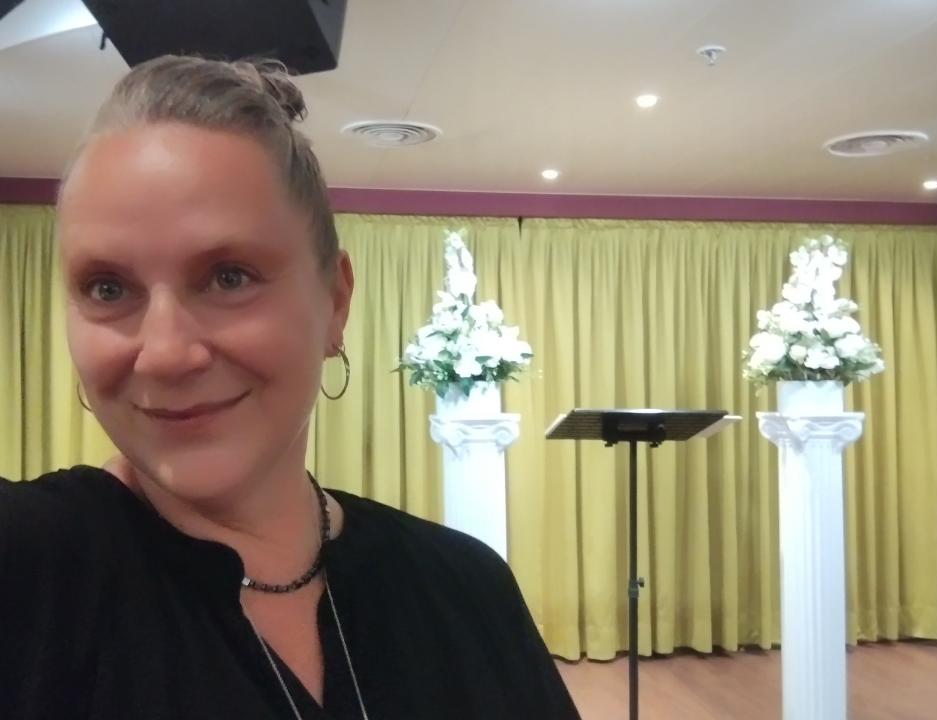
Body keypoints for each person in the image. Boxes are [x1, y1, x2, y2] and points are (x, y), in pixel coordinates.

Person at [0, 55, 580, 720]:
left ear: (333, 301)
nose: (163, 354)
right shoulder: (27, 570)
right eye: (107, 289)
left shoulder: (466, 589)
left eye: (228, 277)